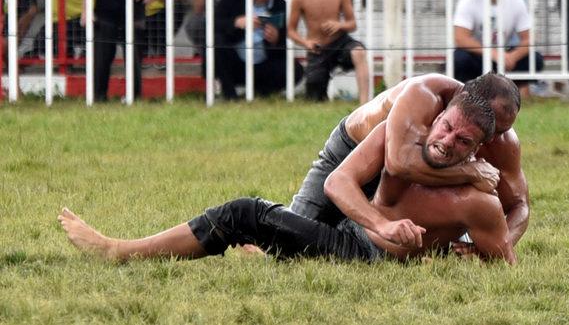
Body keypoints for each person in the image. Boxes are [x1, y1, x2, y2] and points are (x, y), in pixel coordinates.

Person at [58, 92, 516, 264]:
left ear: (479, 148)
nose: (447, 140)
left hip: (361, 252)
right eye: (446, 127)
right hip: (360, 224)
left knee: (246, 212)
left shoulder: (478, 199)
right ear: (437, 115)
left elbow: (505, 260)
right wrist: (383, 223)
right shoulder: (401, 131)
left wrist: (468, 253)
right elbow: (338, 183)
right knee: (292, 226)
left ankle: (118, 252)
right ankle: (121, 250)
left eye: (462, 141)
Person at [289, 72, 529, 256]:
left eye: (501, 130)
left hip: (403, 182)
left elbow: (520, 205)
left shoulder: (502, 140)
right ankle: (253, 240)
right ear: (467, 98)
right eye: (491, 125)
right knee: (290, 241)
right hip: (351, 149)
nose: (492, 137)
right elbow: (399, 163)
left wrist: (495, 247)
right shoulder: (424, 93)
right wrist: (470, 171)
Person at [288, 0, 370, 104]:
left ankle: (364, 104)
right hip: (317, 48)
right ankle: (321, 93)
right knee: (314, 96)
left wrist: (339, 25)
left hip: (340, 42)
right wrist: (306, 43)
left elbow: (352, 24)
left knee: (358, 52)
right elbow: (291, 31)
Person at [453, 0, 544, 97]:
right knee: (460, 58)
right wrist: (493, 54)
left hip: (505, 56)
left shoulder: (516, 1)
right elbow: (460, 38)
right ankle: (466, 96)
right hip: (479, 56)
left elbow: (529, 38)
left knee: (535, 59)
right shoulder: (468, 0)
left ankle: (516, 94)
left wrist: (513, 56)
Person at [212, 0, 304, 99]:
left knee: (295, 70)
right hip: (235, 62)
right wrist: (237, 23)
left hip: (264, 63)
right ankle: (229, 94)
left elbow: (286, 42)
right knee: (216, 43)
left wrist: (276, 39)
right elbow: (214, 24)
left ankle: (262, 92)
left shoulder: (280, 5)